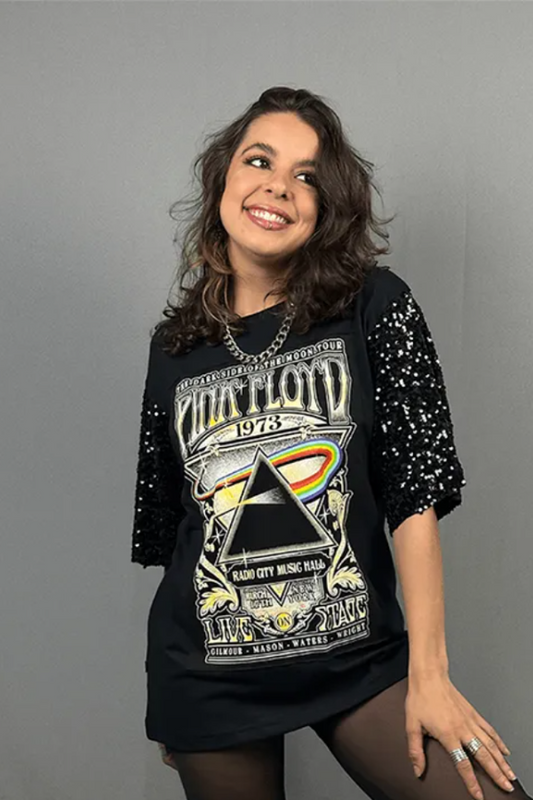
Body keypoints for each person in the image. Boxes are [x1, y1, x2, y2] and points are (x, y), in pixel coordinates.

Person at [131, 87, 530, 800]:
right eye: (259, 160)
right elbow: (175, 524)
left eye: (307, 176)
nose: (278, 186)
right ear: (223, 177)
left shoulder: (373, 305)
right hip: (208, 681)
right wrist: (174, 700)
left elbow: (413, 496)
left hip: (357, 662)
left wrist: (429, 676)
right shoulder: (175, 349)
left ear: (326, 207)